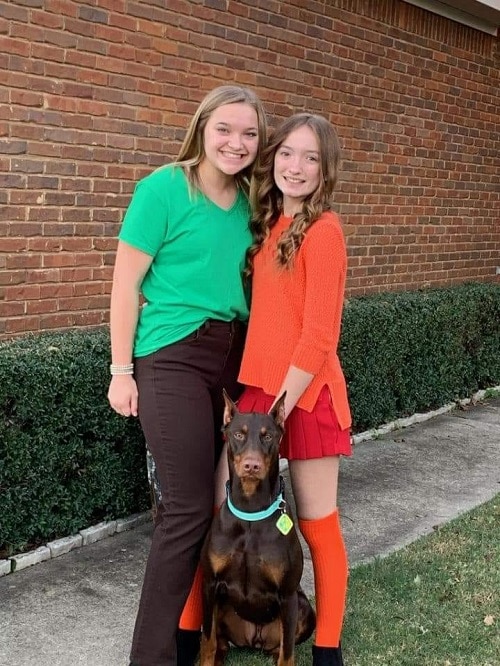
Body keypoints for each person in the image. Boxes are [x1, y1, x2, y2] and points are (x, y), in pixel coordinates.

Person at [107, 85, 267, 666]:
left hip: (232, 358)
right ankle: (150, 658)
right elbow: (126, 285)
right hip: (170, 355)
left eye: (249, 133)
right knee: (185, 509)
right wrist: (120, 370)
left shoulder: (253, 202)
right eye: (225, 128)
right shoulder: (163, 189)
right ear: (202, 127)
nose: (236, 143)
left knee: (225, 501)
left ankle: (203, 635)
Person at [236, 113, 352, 666]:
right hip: (257, 394)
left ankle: (327, 650)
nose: (296, 167)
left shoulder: (323, 230)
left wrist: (280, 409)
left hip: (303, 397)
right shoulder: (266, 225)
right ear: (272, 158)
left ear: (325, 169)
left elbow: (320, 334)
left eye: (311, 158)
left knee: (316, 524)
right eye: (287, 153)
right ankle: (196, 637)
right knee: (226, 515)